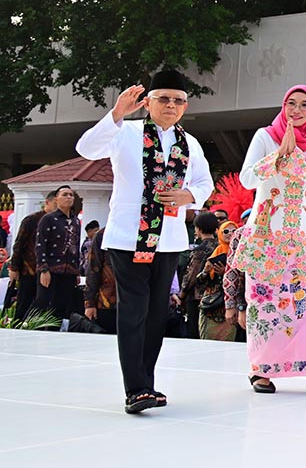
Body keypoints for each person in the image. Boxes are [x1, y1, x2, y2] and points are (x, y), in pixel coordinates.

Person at [75, 71, 215, 413]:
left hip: (167, 238)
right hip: (128, 236)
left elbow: (205, 183)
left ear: (185, 106)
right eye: (163, 98)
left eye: (178, 100)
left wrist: (188, 195)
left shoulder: (190, 143)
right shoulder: (126, 132)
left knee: (156, 313)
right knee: (134, 308)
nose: (171, 105)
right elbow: (86, 148)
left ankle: (146, 383)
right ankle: (134, 387)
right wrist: (116, 114)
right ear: (148, 102)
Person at [226, 85, 306, 393]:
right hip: (267, 233)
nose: (296, 110)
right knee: (264, 302)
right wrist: (278, 156)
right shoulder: (265, 136)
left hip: (302, 235)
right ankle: (261, 370)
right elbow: (247, 178)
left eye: (304, 105)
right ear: (283, 106)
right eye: (291, 103)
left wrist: (297, 155)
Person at [32, 185, 81, 322]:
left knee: (64, 306)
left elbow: (75, 246)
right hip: (51, 269)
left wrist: (76, 271)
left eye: (71, 195)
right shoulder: (48, 219)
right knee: (44, 303)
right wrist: (43, 269)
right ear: (56, 200)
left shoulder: (76, 221)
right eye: (65, 195)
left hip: (69, 271)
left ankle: (58, 333)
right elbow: (40, 245)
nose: (69, 198)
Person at [8, 191, 58, 321]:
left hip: (50, 270)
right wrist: (14, 268)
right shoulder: (32, 220)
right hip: (29, 269)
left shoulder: (59, 222)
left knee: (44, 306)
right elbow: (19, 244)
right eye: (55, 203)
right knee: (24, 303)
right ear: (47, 202)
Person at [193, 220, 237, 341]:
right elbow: (199, 282)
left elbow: (245, 280)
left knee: (228, 347)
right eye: (226, 231)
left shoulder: (240, 253)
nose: (230, 234)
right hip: (211, 306)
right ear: (220, 233)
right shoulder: (215, 251)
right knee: (208, 344)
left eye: (234, 231)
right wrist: (206, 271)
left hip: (230, 307)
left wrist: (227, 274)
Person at [179, 212, 221, 338]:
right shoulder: (220, 247)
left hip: (198, 297)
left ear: (199, 229)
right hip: (217, 296)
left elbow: (191, 275)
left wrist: (182, 293)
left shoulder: (199, 250)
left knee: (195, 332)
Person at [84, 229, 119, 334]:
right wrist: (89, 303)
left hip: (136, 304)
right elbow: (93, 270)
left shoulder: (142, 233)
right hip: (107, 303)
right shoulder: (103, 234)